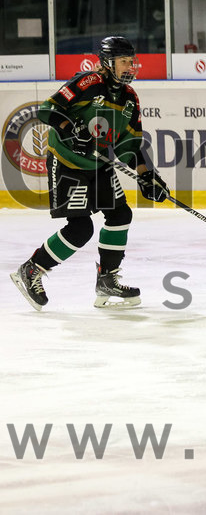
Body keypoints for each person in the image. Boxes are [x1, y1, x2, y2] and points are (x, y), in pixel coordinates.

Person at [10, 36, 169, 310]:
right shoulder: (88, 83)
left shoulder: (130, 98)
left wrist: (147, 175)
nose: (130, 66)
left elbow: (130, 146)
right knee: (81, 228)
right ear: (108, 63)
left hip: (100, 164)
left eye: (132, 61)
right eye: (124, 61)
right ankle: (32, 269)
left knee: (121, 214)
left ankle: (106, 279)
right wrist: (70, 128)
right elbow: (49, 110)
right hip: (67, 163)